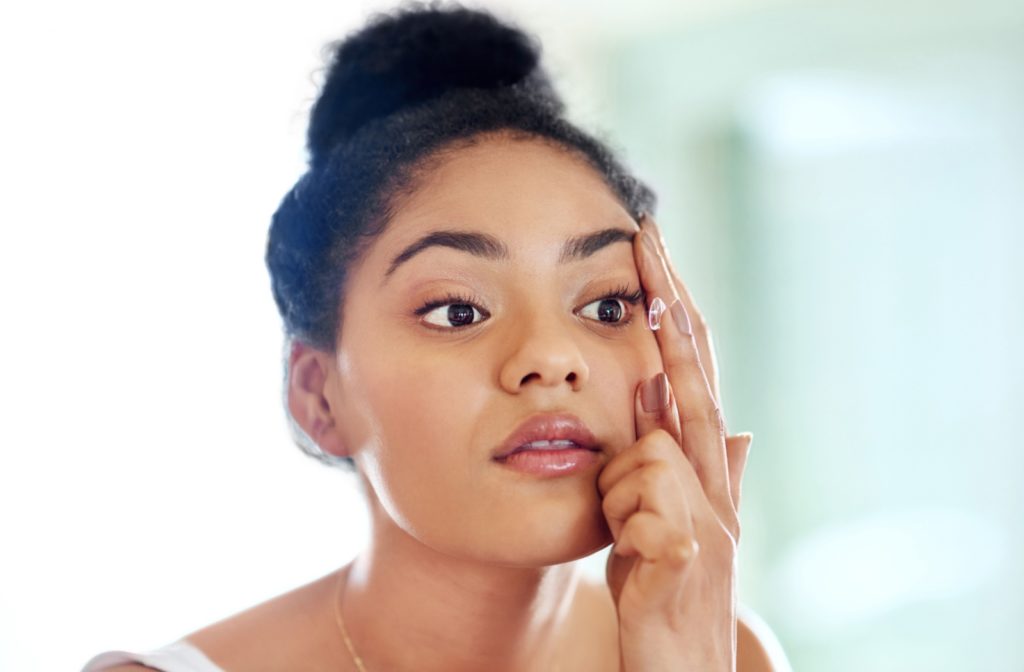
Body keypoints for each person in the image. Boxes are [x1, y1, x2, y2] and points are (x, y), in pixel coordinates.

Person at [83, 3, 789, 670]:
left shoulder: (725, 648)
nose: (551, 357)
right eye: (457, 311)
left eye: (608, 307)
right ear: (318, 397)